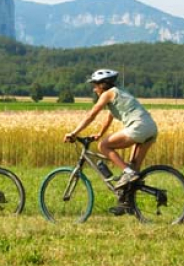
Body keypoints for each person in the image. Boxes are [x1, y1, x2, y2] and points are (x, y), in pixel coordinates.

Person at [64, 69, 158, 213]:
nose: (94, 89)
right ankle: (126, 204)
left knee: (104, 146)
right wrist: (100, 133)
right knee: (134, 171)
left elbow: (91, 114)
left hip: (138, 127)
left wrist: (74, 133)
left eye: (95, 85)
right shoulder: (118, 93)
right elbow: (109, 117)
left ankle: (127, 172)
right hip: (150, 128)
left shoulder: (107, 94)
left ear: (103, 85)